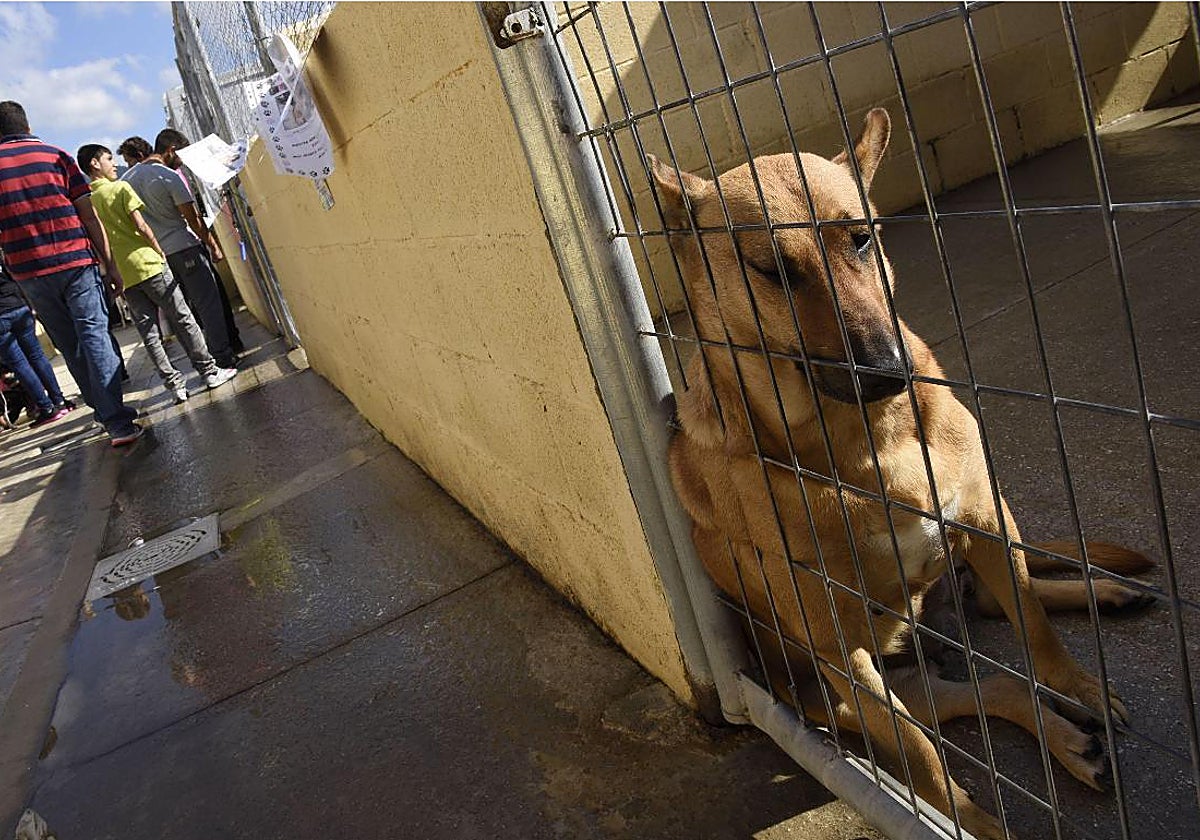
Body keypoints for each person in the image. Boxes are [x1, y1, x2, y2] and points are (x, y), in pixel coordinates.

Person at [0, 101, 141, 446]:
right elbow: (88, 215)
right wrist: (109, 263)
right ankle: (116, 421)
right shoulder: (57, 156)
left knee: (69, 344)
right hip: (76, 262)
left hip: (29, 273)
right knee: (95, 336)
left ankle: (106, 413)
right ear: (27, 126)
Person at [78, 144, 237, 403]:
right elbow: (141, 226)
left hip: (125, 274)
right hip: (149, 263)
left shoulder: (87, 202)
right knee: (183, 317)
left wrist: (110, 269)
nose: (114, 164)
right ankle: (209, 371)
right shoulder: (120, 188)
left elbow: (97, 240)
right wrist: (157, 250)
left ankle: (175, 386)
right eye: (108, 159)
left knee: (150, 334)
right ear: (95, 164)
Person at [122, 129, 241, 368]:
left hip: (157, 257)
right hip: (184, 248)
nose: (183, 162)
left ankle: (202, 362)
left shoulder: (126, 180)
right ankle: (222, 356)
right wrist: (213, 245)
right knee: (208, 303)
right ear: (171, 150)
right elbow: (193, 219)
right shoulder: (168, 176)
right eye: (182, 155)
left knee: (181, 312)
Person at [0, 259, 75, 427]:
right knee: (37, 356)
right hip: (19, 307)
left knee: (19, 364)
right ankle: (60, 401)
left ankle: (47, 407)